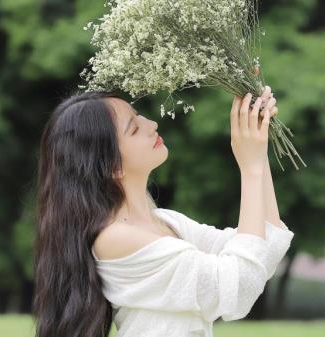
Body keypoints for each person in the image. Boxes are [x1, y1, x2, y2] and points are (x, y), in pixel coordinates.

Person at [32, 87, 294, 337]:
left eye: (138, 116)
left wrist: (257, 151)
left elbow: (262, 249)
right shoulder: (115, 239)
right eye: (134, 129)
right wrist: (250, 168)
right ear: (113, 166)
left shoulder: (165, 222)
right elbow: (238, 286)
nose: (151, 124)